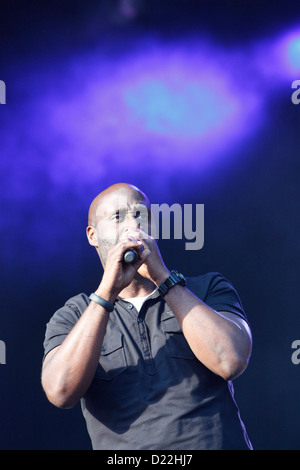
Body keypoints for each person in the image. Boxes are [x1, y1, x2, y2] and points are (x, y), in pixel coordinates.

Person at [42, 182, 253, 450]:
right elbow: (61, 391)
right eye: (118, 217)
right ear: (93, 235)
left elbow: (230, 360)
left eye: (141, 215)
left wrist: (163, 278)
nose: (133, 224)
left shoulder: (206, 288)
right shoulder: (75, 314)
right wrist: (108, 291)